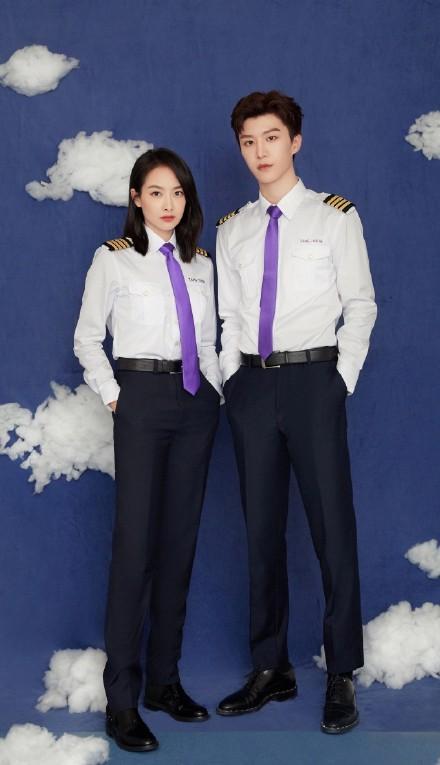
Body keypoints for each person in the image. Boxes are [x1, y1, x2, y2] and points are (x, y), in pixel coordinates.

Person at [215, 91, 377, 734]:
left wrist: (340, 380)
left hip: (315, 381)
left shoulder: (335, 217)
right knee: (260, 531)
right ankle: (270, 666)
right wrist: (232, 381)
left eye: (272, 137)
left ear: (295, 142)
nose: (260, 151)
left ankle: (342, 672)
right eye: (249, 141)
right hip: (252, 385)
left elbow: (360, 304)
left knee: (332, 527)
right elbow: (228, 315)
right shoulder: (233, 228)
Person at [74, 148, 221, 753]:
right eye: (156, 192)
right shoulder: (114, 259)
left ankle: (164, 682)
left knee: (178, 545)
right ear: (136, 198)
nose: (168, 204)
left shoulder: (201, 263)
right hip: (139, 398)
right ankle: (122, 700)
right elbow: (87, 339)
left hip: (195, 404)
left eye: (177, 193)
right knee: (135, 548)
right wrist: (116, 397)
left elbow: (207, 342)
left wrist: (214, 394)